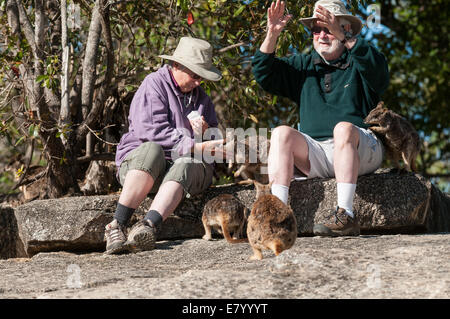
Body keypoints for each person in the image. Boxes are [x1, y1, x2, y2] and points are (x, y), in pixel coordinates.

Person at [252, 0, 389, 236]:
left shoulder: (360, 60)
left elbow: (379, 74)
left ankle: (345, 214)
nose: (322, 35)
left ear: (346, 30)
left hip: (361, 148)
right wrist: (272, 34)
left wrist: (345, 39)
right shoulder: (304, 65)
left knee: (343, 129)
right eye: (317, 30)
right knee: (281, 133)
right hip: (317, 153)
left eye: (330, 28)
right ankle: (279, 218)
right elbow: (264, 74)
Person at [104, 37, 225, 254]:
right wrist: (191, 144)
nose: (198, 82)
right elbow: (149, 130)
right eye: (195, 75)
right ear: (176, 65)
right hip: (143, 167)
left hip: (185, 174)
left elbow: (213, 144)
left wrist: (206, 133)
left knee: (187, 161)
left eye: (202, 78)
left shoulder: (203, 100)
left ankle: (147, 226)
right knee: (152, 149)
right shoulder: (154, 84)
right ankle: (117, 225)